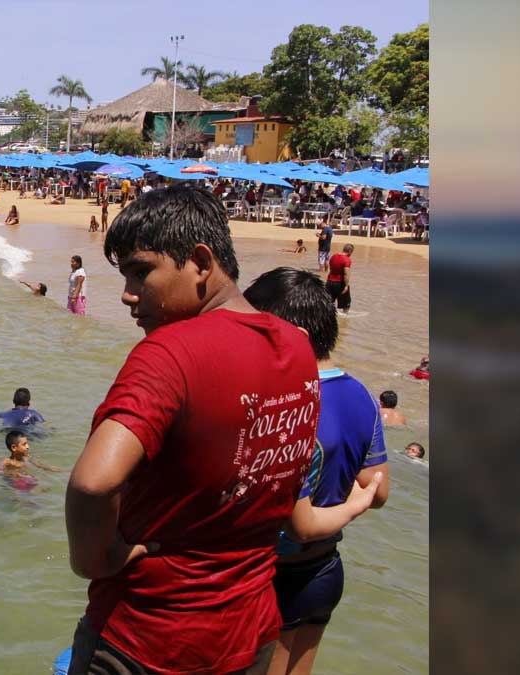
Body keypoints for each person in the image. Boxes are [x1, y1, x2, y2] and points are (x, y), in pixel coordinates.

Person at [65, 185, 321, 675]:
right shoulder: (298, 347)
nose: (127, 294)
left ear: (201, 263)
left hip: (147, 636)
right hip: (250, 632)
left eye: (141, 272)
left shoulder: (168, 353)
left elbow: (94, 481)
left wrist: (97, 560)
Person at [242, 266, 388, 675]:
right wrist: (349, 504)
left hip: (273, 577)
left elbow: (299, 523)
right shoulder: (360, 394)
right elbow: (377, 491)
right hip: (326, 572)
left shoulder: (288, 399)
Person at [325, 244, 354, 314]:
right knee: (346, 304)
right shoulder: (347, 260)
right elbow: (346, 274)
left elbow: (327, 265)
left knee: (328, 303)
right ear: (350, 251)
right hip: (340, 283)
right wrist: (346, 285)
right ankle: (344, 319)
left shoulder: (334, 256)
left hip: (329, 282)